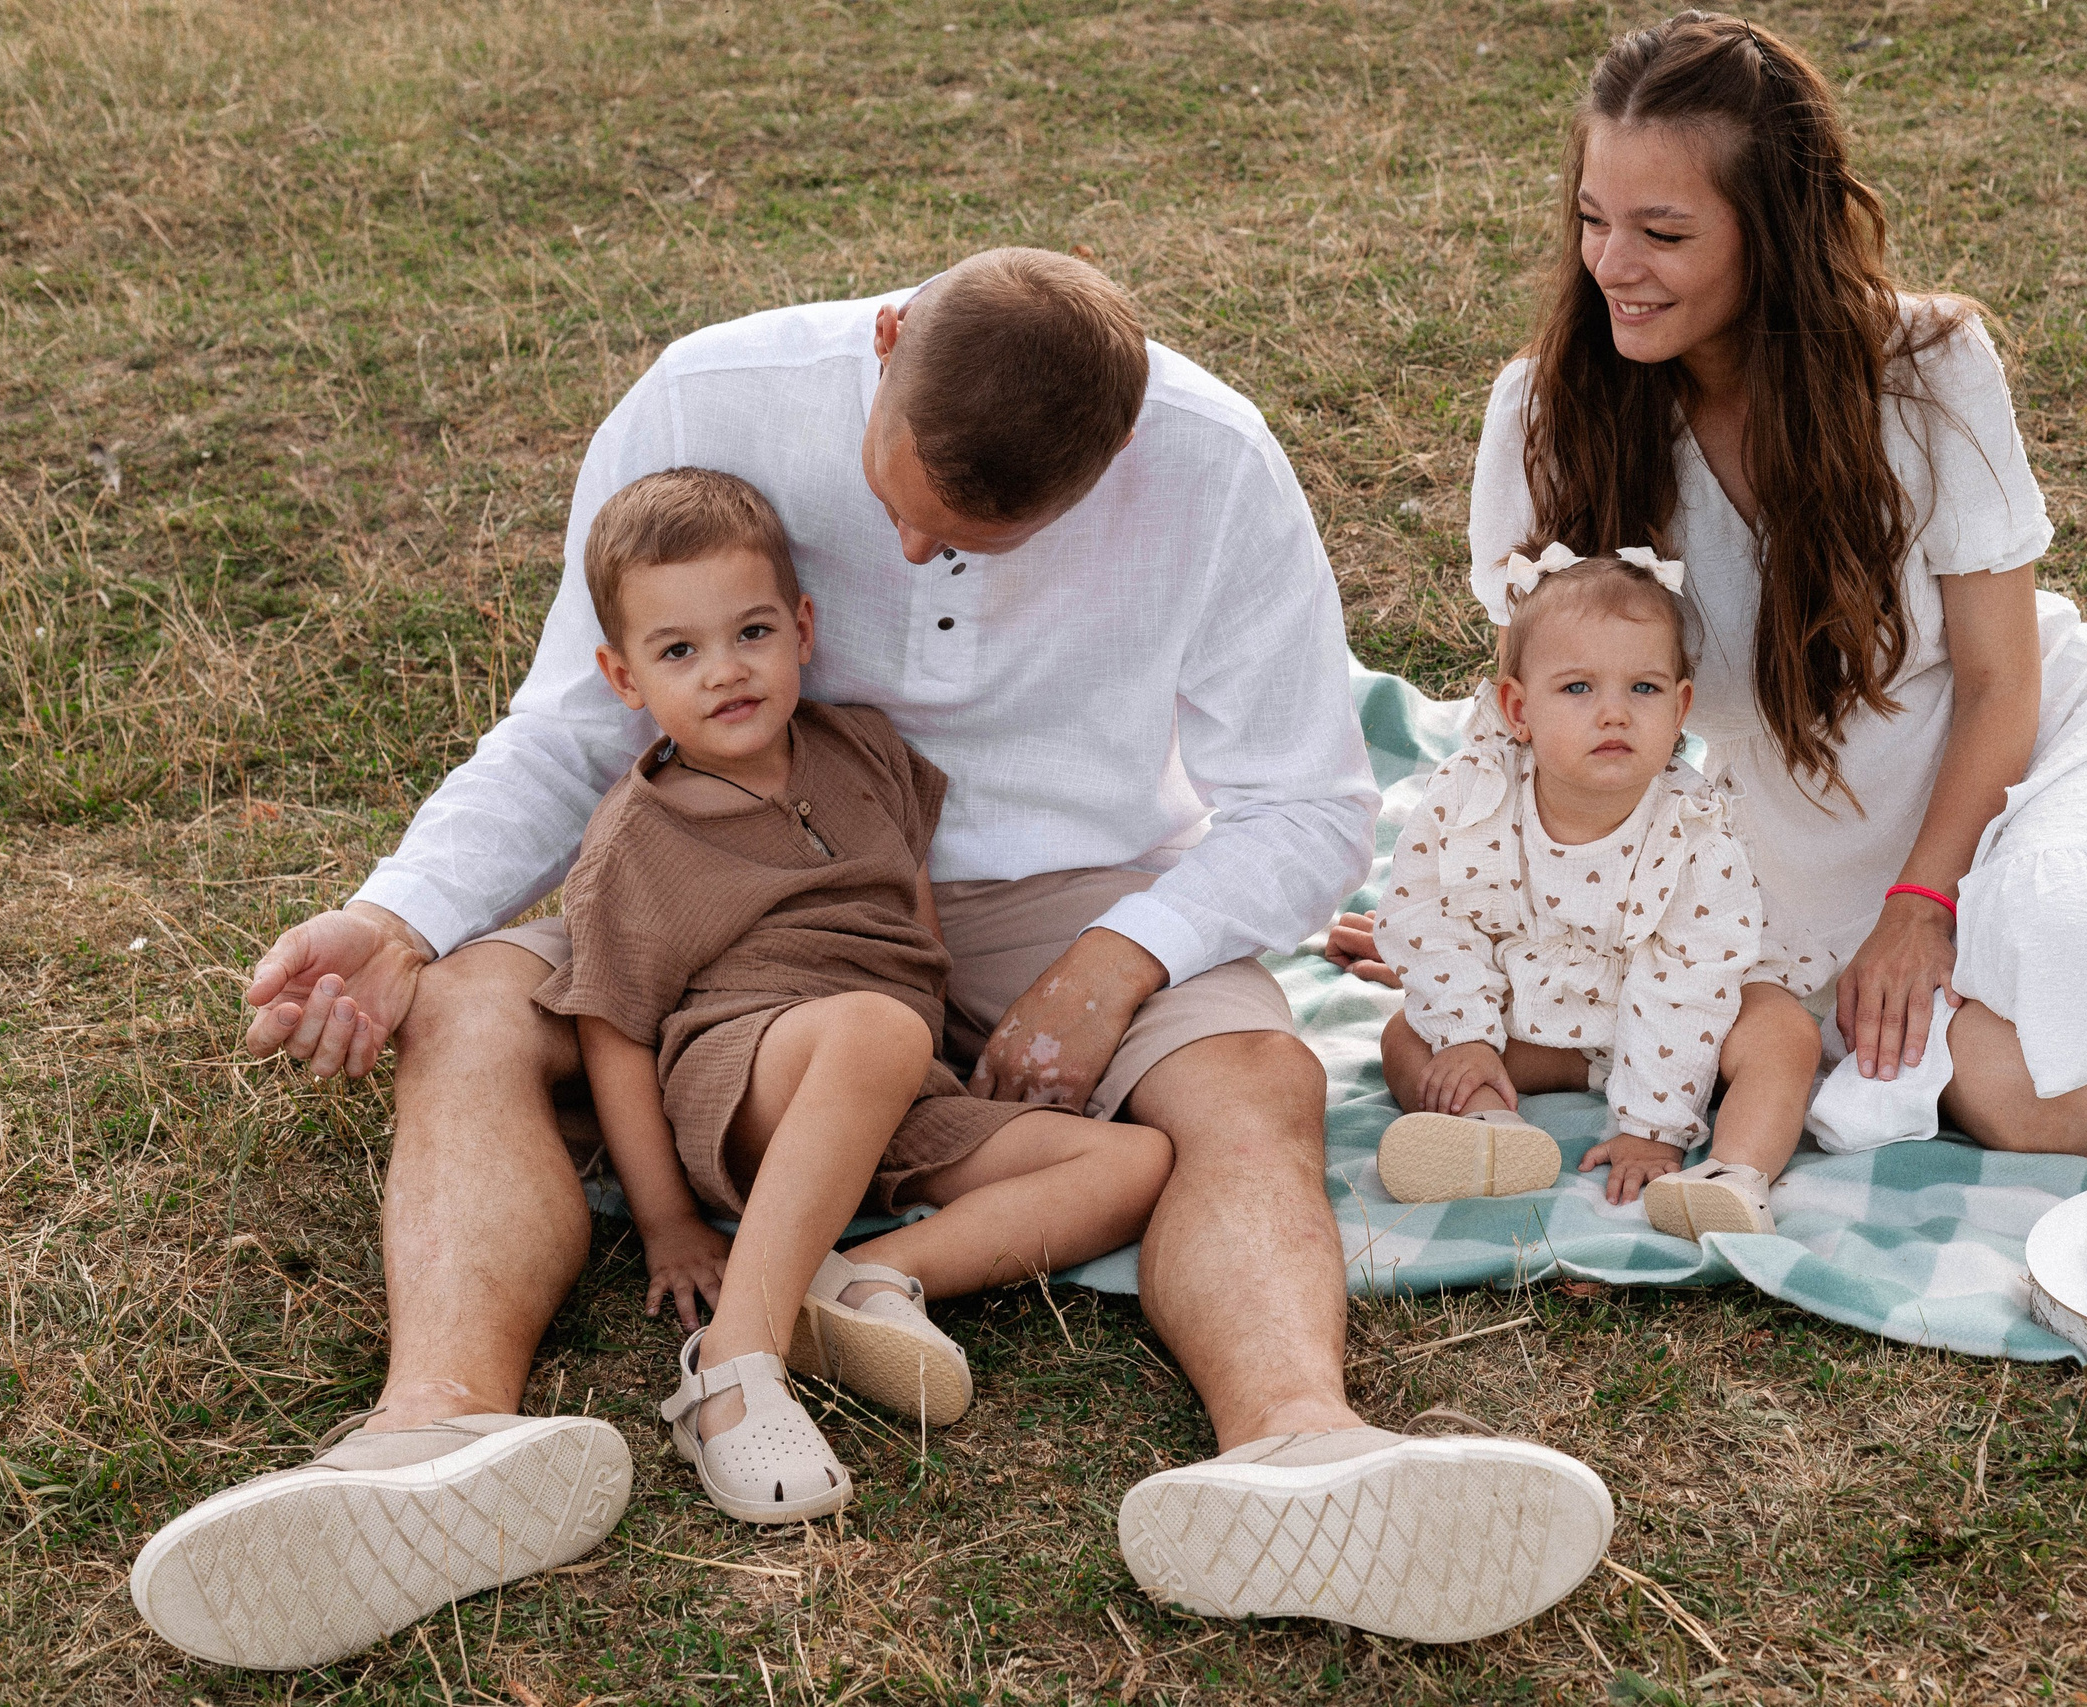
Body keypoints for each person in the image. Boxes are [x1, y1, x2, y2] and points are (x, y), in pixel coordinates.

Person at [132, 248, 1611, 1674]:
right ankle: (430, 1435)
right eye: (898, 508)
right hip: (744, 880)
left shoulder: (1211, 459)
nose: (915, 558)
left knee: (1257, 1076)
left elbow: (1308, 802)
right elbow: (573, 725)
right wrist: (401, 916)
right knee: (465, 1000)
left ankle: (1302, 1449)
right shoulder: (708, 398)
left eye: (977, 542)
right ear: (889, 340)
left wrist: (1121, 955)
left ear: (1116, 458)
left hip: (1076, 883)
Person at [1328, 13, 2087, 1156]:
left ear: (1775, 228)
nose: (1611, 265)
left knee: (2053, 930)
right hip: (1806, 845)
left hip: (2027, 748)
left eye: (1663, 232)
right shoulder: (1546, 417)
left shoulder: (1927, 368)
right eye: (1592, 219)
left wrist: (1926, 900)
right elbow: (1548, 699)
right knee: (2018, 1100)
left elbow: (2000, 678)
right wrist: (1485, 907)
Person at [549, 466, 1175, 1521]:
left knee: (1133, 1158)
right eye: (678, 652)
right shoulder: (637, 839)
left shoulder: (863, 752)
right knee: (876, 1031)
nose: (725, 672)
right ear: (624, 678)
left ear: (802, 626)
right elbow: (613, 1034)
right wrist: (666, 1223)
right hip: (745, 1069)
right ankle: (728, 1372)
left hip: (891, 1078)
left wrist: (950, 1058)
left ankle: (857, 1284)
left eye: (751, 633)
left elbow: (911, 924)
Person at [1370, 545, 1823, 1238]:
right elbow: (1432, 916)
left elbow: (1692, 977)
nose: (1613, 713)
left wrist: (1654, 1126)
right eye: (1578, 688)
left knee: (1784, 1032)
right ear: (1517, 707)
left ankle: (1735, 1174)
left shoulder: (1693, 833)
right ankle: (1484, 1124)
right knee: (1408, 1035)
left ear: (1681, 709)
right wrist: (1467, 1036)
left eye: (1642, 689)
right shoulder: (1473, 797)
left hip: (1686, 1016)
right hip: (1543, 1016)